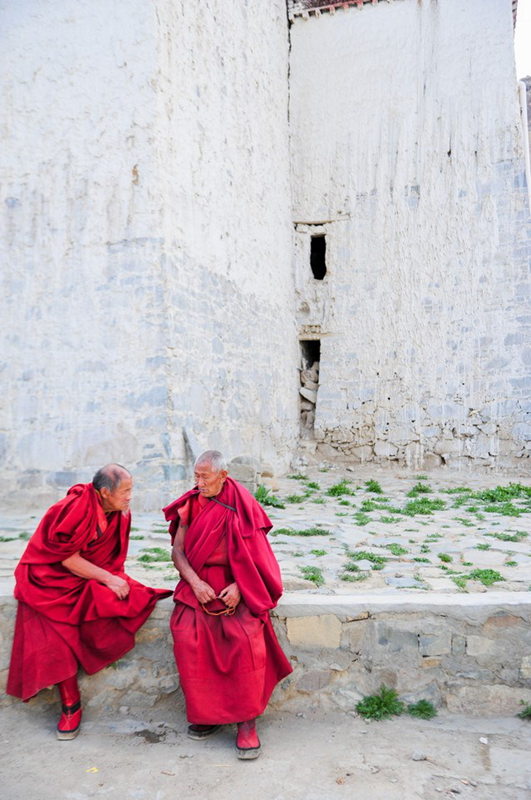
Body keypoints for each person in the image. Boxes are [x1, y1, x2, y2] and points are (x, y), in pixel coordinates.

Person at [6, 464, 172, 739]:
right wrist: (108, 578)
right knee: (53, 626)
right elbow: (65, 558)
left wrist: (110, 577)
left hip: (83, 574)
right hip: (49, 578)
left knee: (135, 599)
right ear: (105, 492)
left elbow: (108, 558)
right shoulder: (72, 508)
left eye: (132, 490)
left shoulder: (117, 513)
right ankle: (70, 703)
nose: (130, 497)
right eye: (126, 491)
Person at [163, 450, 293, 760]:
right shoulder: (190, 505)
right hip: (199, 583)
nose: (199, 482)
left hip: (239, 582)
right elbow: (178, 553)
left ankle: (246, 723)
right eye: (196, 476)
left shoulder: (241, 504)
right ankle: (207, 715)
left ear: (223, 476)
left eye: (204, 477)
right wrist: (195, 583)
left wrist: (241, 587)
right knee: (186, 635)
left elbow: (260, 558)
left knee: (245, 638)